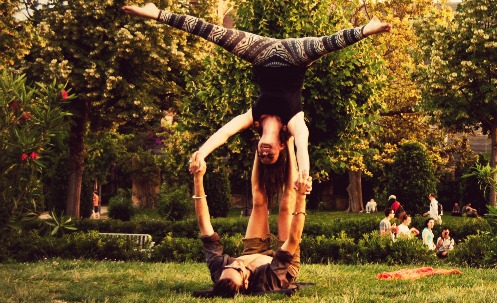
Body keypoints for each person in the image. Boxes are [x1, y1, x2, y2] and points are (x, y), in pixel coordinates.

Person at [123, 3, 392, 197]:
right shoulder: (294, 122)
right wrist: (303, 175)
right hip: (296, 55)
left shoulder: (254, 117)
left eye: (262, 157)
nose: (264, 154)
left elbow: (224, 133)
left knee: (210, 32)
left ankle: (155, 12)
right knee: (330, 42)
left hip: (260, 52)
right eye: (270, 156)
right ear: (280, 149)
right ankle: (365, 29)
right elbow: (303, 148)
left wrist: (201, 153)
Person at [189, 136, 308, 297]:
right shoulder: (268, 280)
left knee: (258, 201)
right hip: (284, 262)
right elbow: (294, 239)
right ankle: (289, 142)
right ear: (246, 283)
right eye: (238, 269)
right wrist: (301, 194)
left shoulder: (219, 269)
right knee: (287, 205)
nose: (236, 262)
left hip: (253, 251)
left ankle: (261, 142)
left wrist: (198, 177)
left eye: (229, 267)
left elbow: (204, 226)